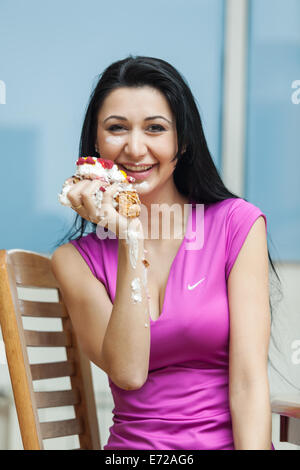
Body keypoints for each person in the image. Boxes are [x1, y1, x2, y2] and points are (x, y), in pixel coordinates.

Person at [51, 56, 279, 450]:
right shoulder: (75, 261)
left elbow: (248, 381)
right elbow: (129, 372)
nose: (135, 148)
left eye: (155, 128)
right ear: (96, 143)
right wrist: (129, 236)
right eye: (117, 129)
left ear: (183, 141)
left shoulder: (237, 225)